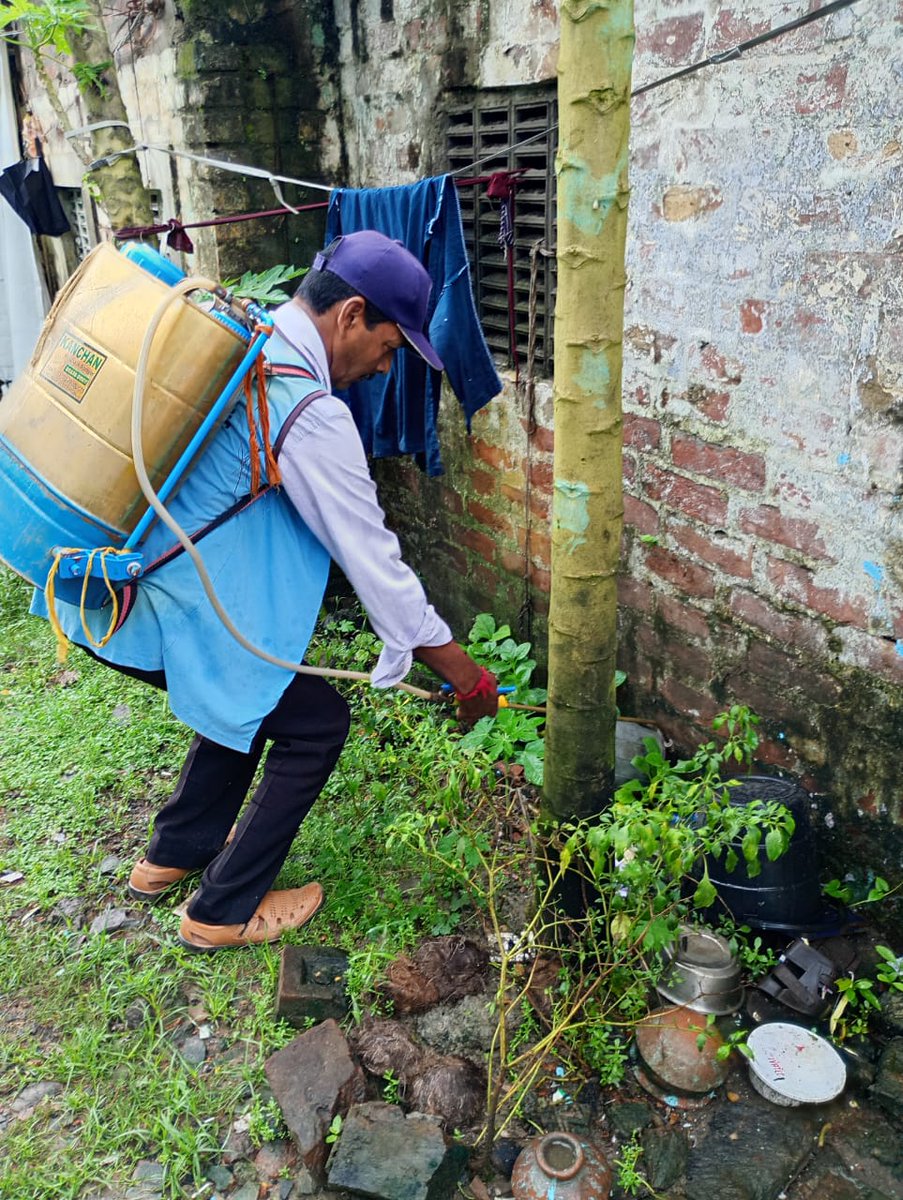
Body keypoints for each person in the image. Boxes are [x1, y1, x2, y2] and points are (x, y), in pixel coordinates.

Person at [44, 231, 499, 951]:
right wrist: (464, 675)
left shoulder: (252, 341)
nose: (385, 367)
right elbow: (375, 564)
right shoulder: (307, 411)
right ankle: (221, 911)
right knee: (315, 724)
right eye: (389, 346)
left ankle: (171, 855)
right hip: (159, 606)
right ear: (351, 314)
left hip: (104, 590)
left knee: (255, 695)